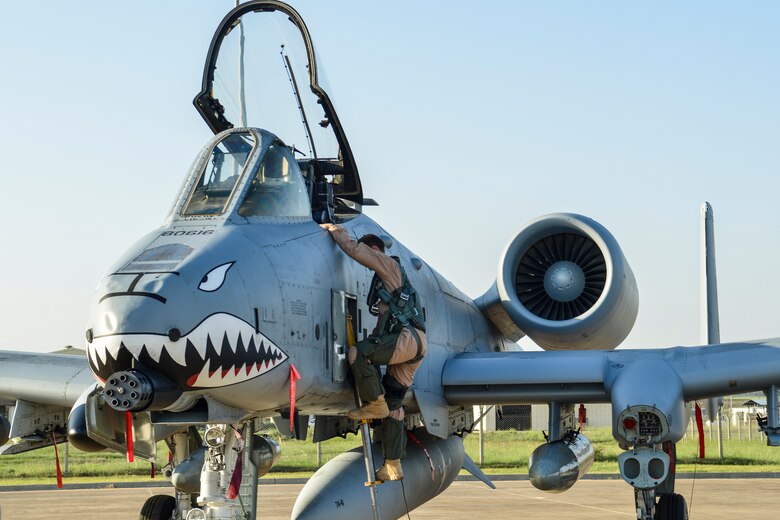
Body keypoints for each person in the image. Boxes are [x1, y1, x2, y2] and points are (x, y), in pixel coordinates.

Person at [320, 223, 427, 481]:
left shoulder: (388, 266)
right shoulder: (391, 285)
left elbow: (356, 251)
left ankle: (374, 405)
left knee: (358, 354)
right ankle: (393, 465)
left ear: (375, 249)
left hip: (406, 340)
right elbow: (383, 330)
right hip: (414, 345)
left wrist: (335, 230)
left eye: (371, 252)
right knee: (394, 406)